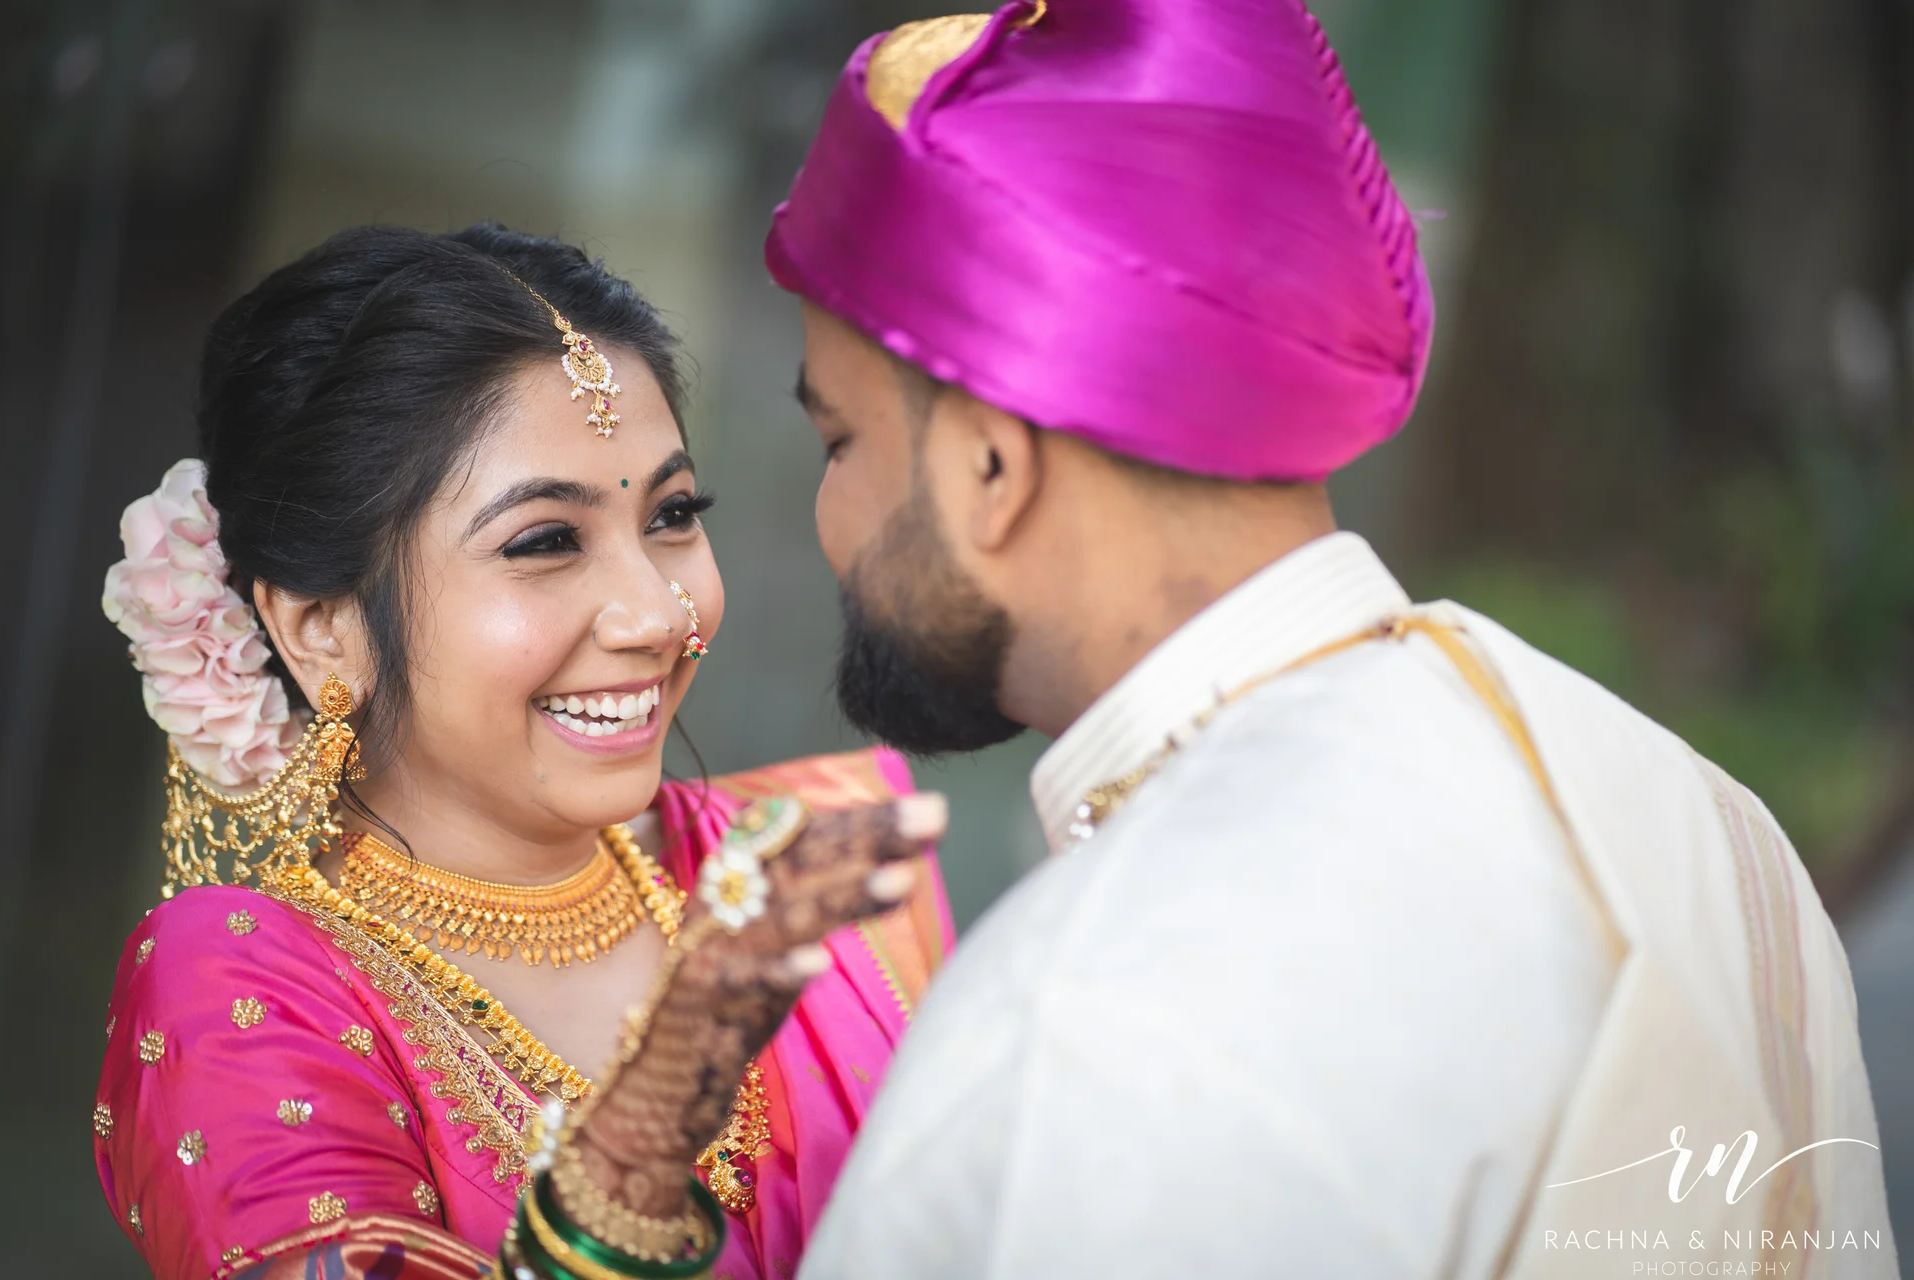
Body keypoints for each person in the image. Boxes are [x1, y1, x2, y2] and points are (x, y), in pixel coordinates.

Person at [760, 1, 1893, 1276]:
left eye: (837, 441)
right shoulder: (1705, 822)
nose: (827, 518)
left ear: (988, 465)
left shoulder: (1100, 1011)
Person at [91, 224, 953, 1280]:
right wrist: (621, 1170)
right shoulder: (242, 979)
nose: (653, 611)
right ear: (322, 625)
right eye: (546, 540)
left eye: (674, 514)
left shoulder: (810, 865)